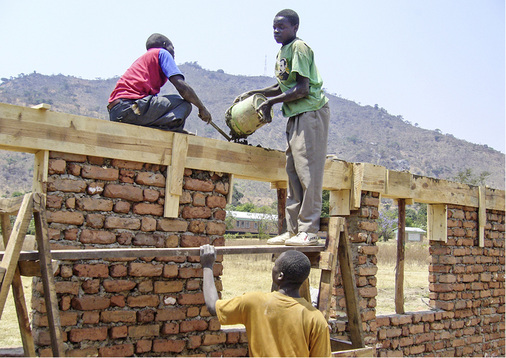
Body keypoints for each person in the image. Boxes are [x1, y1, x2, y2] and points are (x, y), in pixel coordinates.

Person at [235, 9, 330, 246]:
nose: (277, 31)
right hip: (295, 114)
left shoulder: (299, 47)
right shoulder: (283, 51)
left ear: (295, 27)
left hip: (310, 112)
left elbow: (302, 89)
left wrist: (270, 103)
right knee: (293, 172)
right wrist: (256, 93)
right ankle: (293, 230)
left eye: (282, 27)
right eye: (274, 28)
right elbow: (281, 87)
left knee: (308, 171)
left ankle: (309, 230)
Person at [200, 244, 331, 357]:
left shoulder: (254, 303)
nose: (273, 268)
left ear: (280, 276)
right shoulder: (316, 319)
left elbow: (213, 306)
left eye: (275, 265)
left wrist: (207, 266)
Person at [107, 33, 212, 133]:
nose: (174, 54)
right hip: (130, 107)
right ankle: (170, 130)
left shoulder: (145, 60)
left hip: (117, 112)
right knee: (183, 104)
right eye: (173, 48)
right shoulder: (162, 53)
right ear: (165, 45)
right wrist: (202, 108)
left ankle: (164, 128)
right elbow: (182, 87)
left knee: (165, 104)